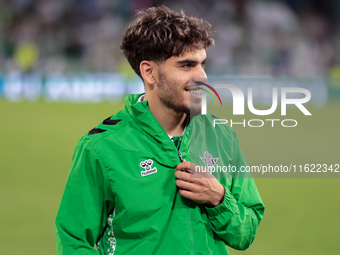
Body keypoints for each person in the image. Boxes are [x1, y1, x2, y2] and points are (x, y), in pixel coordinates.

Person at [55, 5, 265, 255]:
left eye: (202, 64)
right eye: (187, 66)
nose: (202, 77)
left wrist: (218, 199)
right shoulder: (101, 147)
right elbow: (73, 240)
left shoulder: (221, 136)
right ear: (149, 72)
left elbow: (246, 232)